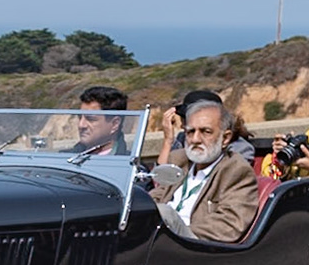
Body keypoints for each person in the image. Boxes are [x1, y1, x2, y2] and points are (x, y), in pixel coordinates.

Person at [151, 99, 260, 242]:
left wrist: (175, 230)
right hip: (158, 238)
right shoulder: (179, 160)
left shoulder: (236, 170)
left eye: (205, 132)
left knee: (164, 212)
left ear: (225, 138)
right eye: (190, 132)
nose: (195, 139)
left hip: (194, 246)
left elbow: (229, 224)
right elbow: (156, 197)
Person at [158, 87, 256, 165]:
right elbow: (162, 177)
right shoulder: (182, 138)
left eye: (206, 131)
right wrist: (168, 141)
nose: (195, 139)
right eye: (191, 130)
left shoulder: (239, 148)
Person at [70, 84, 129, 156]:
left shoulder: (129, 165)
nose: (81, 125)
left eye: (91, 119)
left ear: (115, 124)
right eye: (80, 118)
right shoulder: (63, 159)